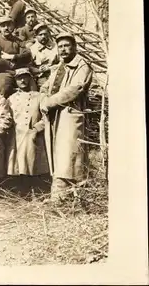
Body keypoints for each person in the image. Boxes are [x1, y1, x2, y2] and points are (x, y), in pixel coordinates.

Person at [39, 32, 93, 203]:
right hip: (56, 115)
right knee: (57, 153)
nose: (63, 49)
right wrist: (43, 97)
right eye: (60, 46)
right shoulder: (59, 67)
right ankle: (60, 195)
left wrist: (49, 102)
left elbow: (74, 89)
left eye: (66, 46)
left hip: (70, 114)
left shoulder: (82, 66)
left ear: (74, 47)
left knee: (69, 154)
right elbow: (46, 86)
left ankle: (66, 194)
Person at [6, 67, 49, 197]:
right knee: (18, 165)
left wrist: (37, 128)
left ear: (30, 79)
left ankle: (36, 191)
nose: (23, 80)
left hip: (32, 135)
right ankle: (21, 191)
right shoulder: (11, 99)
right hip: (16, 136)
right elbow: (6, 117)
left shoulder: (40, 97)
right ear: (16, 81)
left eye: (25, 77)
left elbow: (46, 116)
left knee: (33, 163)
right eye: (19, 78)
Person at [0, 16, 34, 98]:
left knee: (32, 88)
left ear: (12, 27)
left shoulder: (17, 41)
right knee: (4, 87)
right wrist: (10, 64)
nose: (6, 28)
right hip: (4, 72)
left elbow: (27, 54)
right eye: (3, 26)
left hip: (20, 71)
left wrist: (13, 57)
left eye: (8, 25)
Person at [28, 23, 60, 88]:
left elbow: (62, 63)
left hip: (55, 74)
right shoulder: (32, 49)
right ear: (36, 36)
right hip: (39, 77)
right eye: (40, 35)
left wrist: (50, 68)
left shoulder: (56, 47)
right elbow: (28, 66)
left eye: (45, 34)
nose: (43, 36)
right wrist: (39, 70)